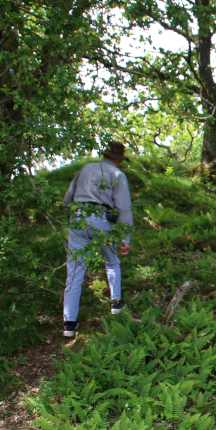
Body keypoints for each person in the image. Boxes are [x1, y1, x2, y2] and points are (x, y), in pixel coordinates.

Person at [61, 141, 134, 337]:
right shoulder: (118, 175)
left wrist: (73, 220)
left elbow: (67, 199)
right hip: (102, 218)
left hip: (78, 216)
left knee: (75, 269)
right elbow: (124, 208)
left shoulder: (85, 168)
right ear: (119, 159)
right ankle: (116, 304)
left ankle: (69, 323)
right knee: (112, 261)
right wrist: (125, 238)